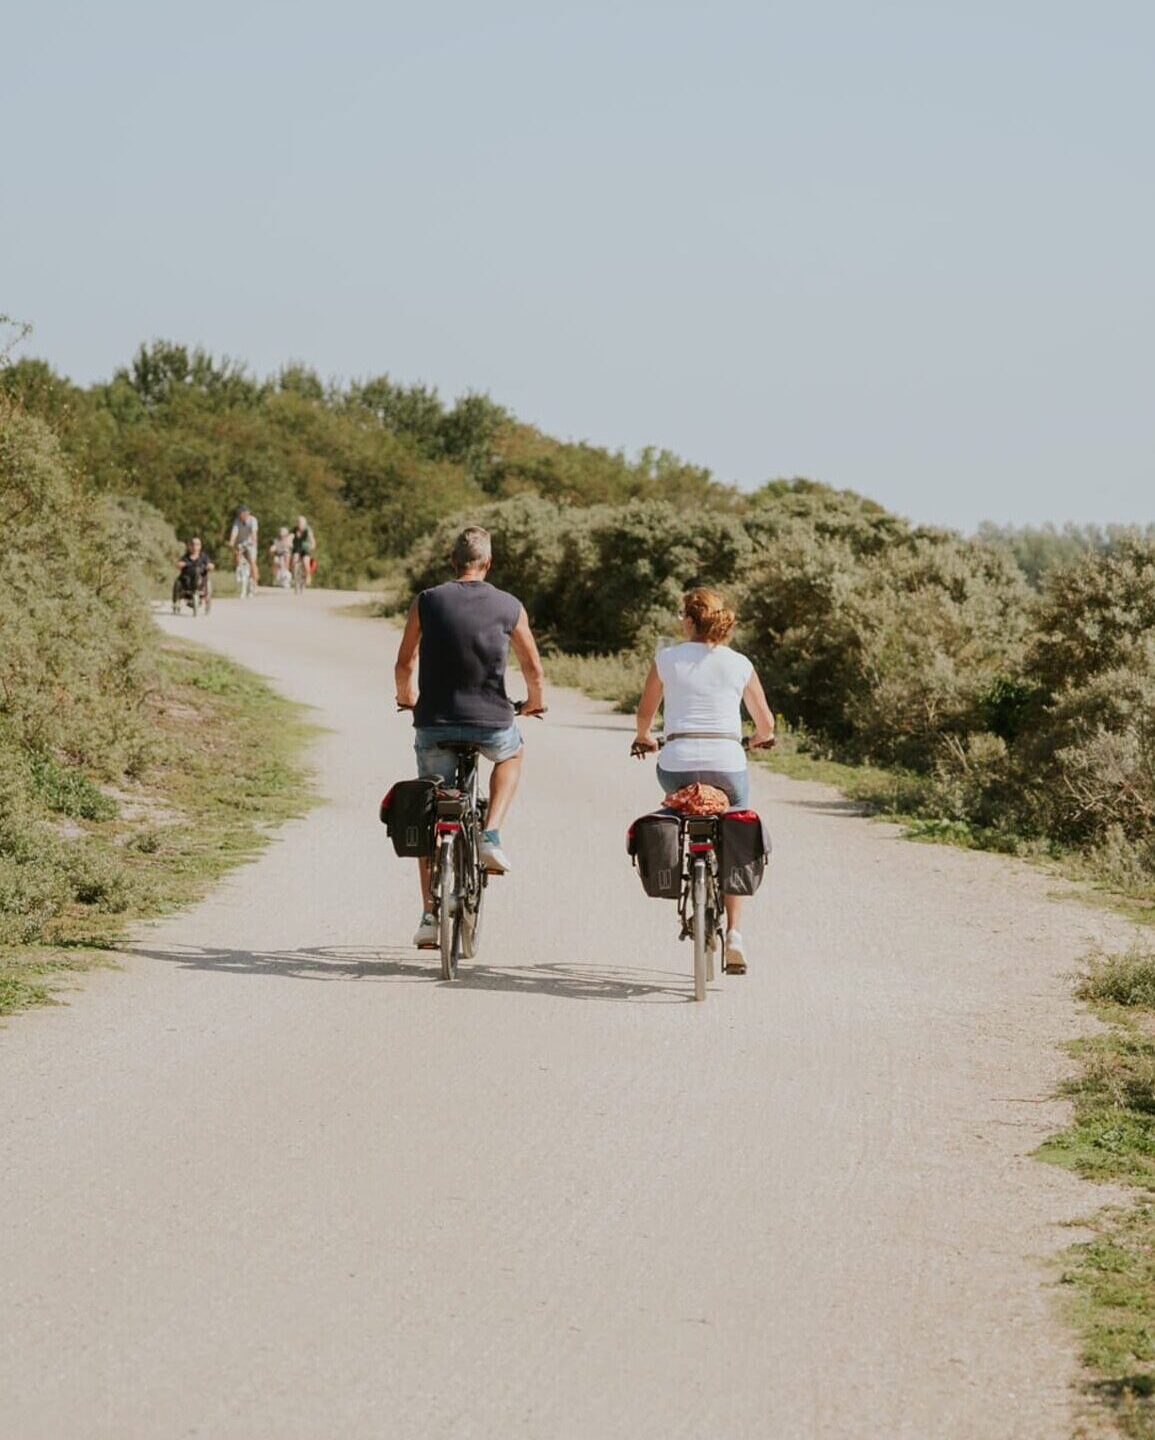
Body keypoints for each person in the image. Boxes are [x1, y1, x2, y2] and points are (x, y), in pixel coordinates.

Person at [394, 525, 546, 948]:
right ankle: (491, 834)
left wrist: (407, 697)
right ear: (488, 564)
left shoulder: (426, 601)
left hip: (434, 723)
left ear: (452, 563)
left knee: (431, 812)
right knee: (511, 755)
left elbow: (405, 662)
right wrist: (534, 701)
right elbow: (533, 668)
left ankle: (429, 915)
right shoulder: (509, 605)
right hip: (492, 721)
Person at [633, 586, 775, 975]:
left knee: (675, 805)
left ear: (693, 621)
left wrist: (644, 737)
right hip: (727, 766)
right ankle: (734, 935)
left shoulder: (668, 658)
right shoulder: (740, 663)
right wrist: (760, 739)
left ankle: (676, 848)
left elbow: (645, 713)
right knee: (735, 826)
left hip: (676, 765)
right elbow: (765, 723)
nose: (679, 621)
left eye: (682, 615)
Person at [173, 536, 213, 606]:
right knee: (178, 581)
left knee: (197, 570)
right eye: (192, 544)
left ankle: (202, 597)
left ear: (200, 546)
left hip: (200, 582)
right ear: (189, 546)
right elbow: (178, 564)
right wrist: (182, 564)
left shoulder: (203, 557)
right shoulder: (185, 557)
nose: (194, 547)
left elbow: (210, 564)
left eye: (197, 544)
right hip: (187, 581)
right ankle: (176, 602)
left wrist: (209, 566)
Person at [227, 505, 260, 587]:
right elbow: (234, 532)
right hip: (241, 543)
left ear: (246, 513)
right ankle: (239, 573)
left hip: (251, 543)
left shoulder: (253, 520)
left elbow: (254, 533)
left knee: (252, 561)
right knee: (237, 555)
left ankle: (255, 581)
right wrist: (231, 542)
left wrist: (253, 541)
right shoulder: (237, 521)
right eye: (239, 513)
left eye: (241, 513)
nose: (239, 515)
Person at [290, 515, 316, 586]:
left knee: (305, 561)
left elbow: (312, 539)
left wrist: (312, 545)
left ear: (305, 523)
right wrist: (289, 542)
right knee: (294, 559)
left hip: (305, 548)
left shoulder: (308, 530)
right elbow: (291, 536)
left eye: (301, 523)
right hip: (297, 547)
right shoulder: (294, 529)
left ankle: (308, 576)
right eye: (298, 522)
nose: (299, 524)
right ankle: (293, 576)